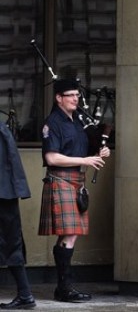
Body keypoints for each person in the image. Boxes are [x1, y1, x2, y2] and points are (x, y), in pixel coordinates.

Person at [39, 78, 109, 302]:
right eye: (70, 95)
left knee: (71, 234)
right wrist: (85, 160)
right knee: (69, 234)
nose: (75, 99)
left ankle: (64, 287)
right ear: (59, 98)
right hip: (60, 179)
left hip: (76, 180)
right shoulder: (53, 122)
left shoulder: (77, 122)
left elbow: (85, 148)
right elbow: (52, 157)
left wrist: (99, 153)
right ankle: (64, 288)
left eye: (77, 95)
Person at [0, 122, 35, 310]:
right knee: (12, 244)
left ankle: (25, 294)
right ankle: (25, 294)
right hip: (7, 194)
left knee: (11, 244)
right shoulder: (2, 129)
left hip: (4, 195)